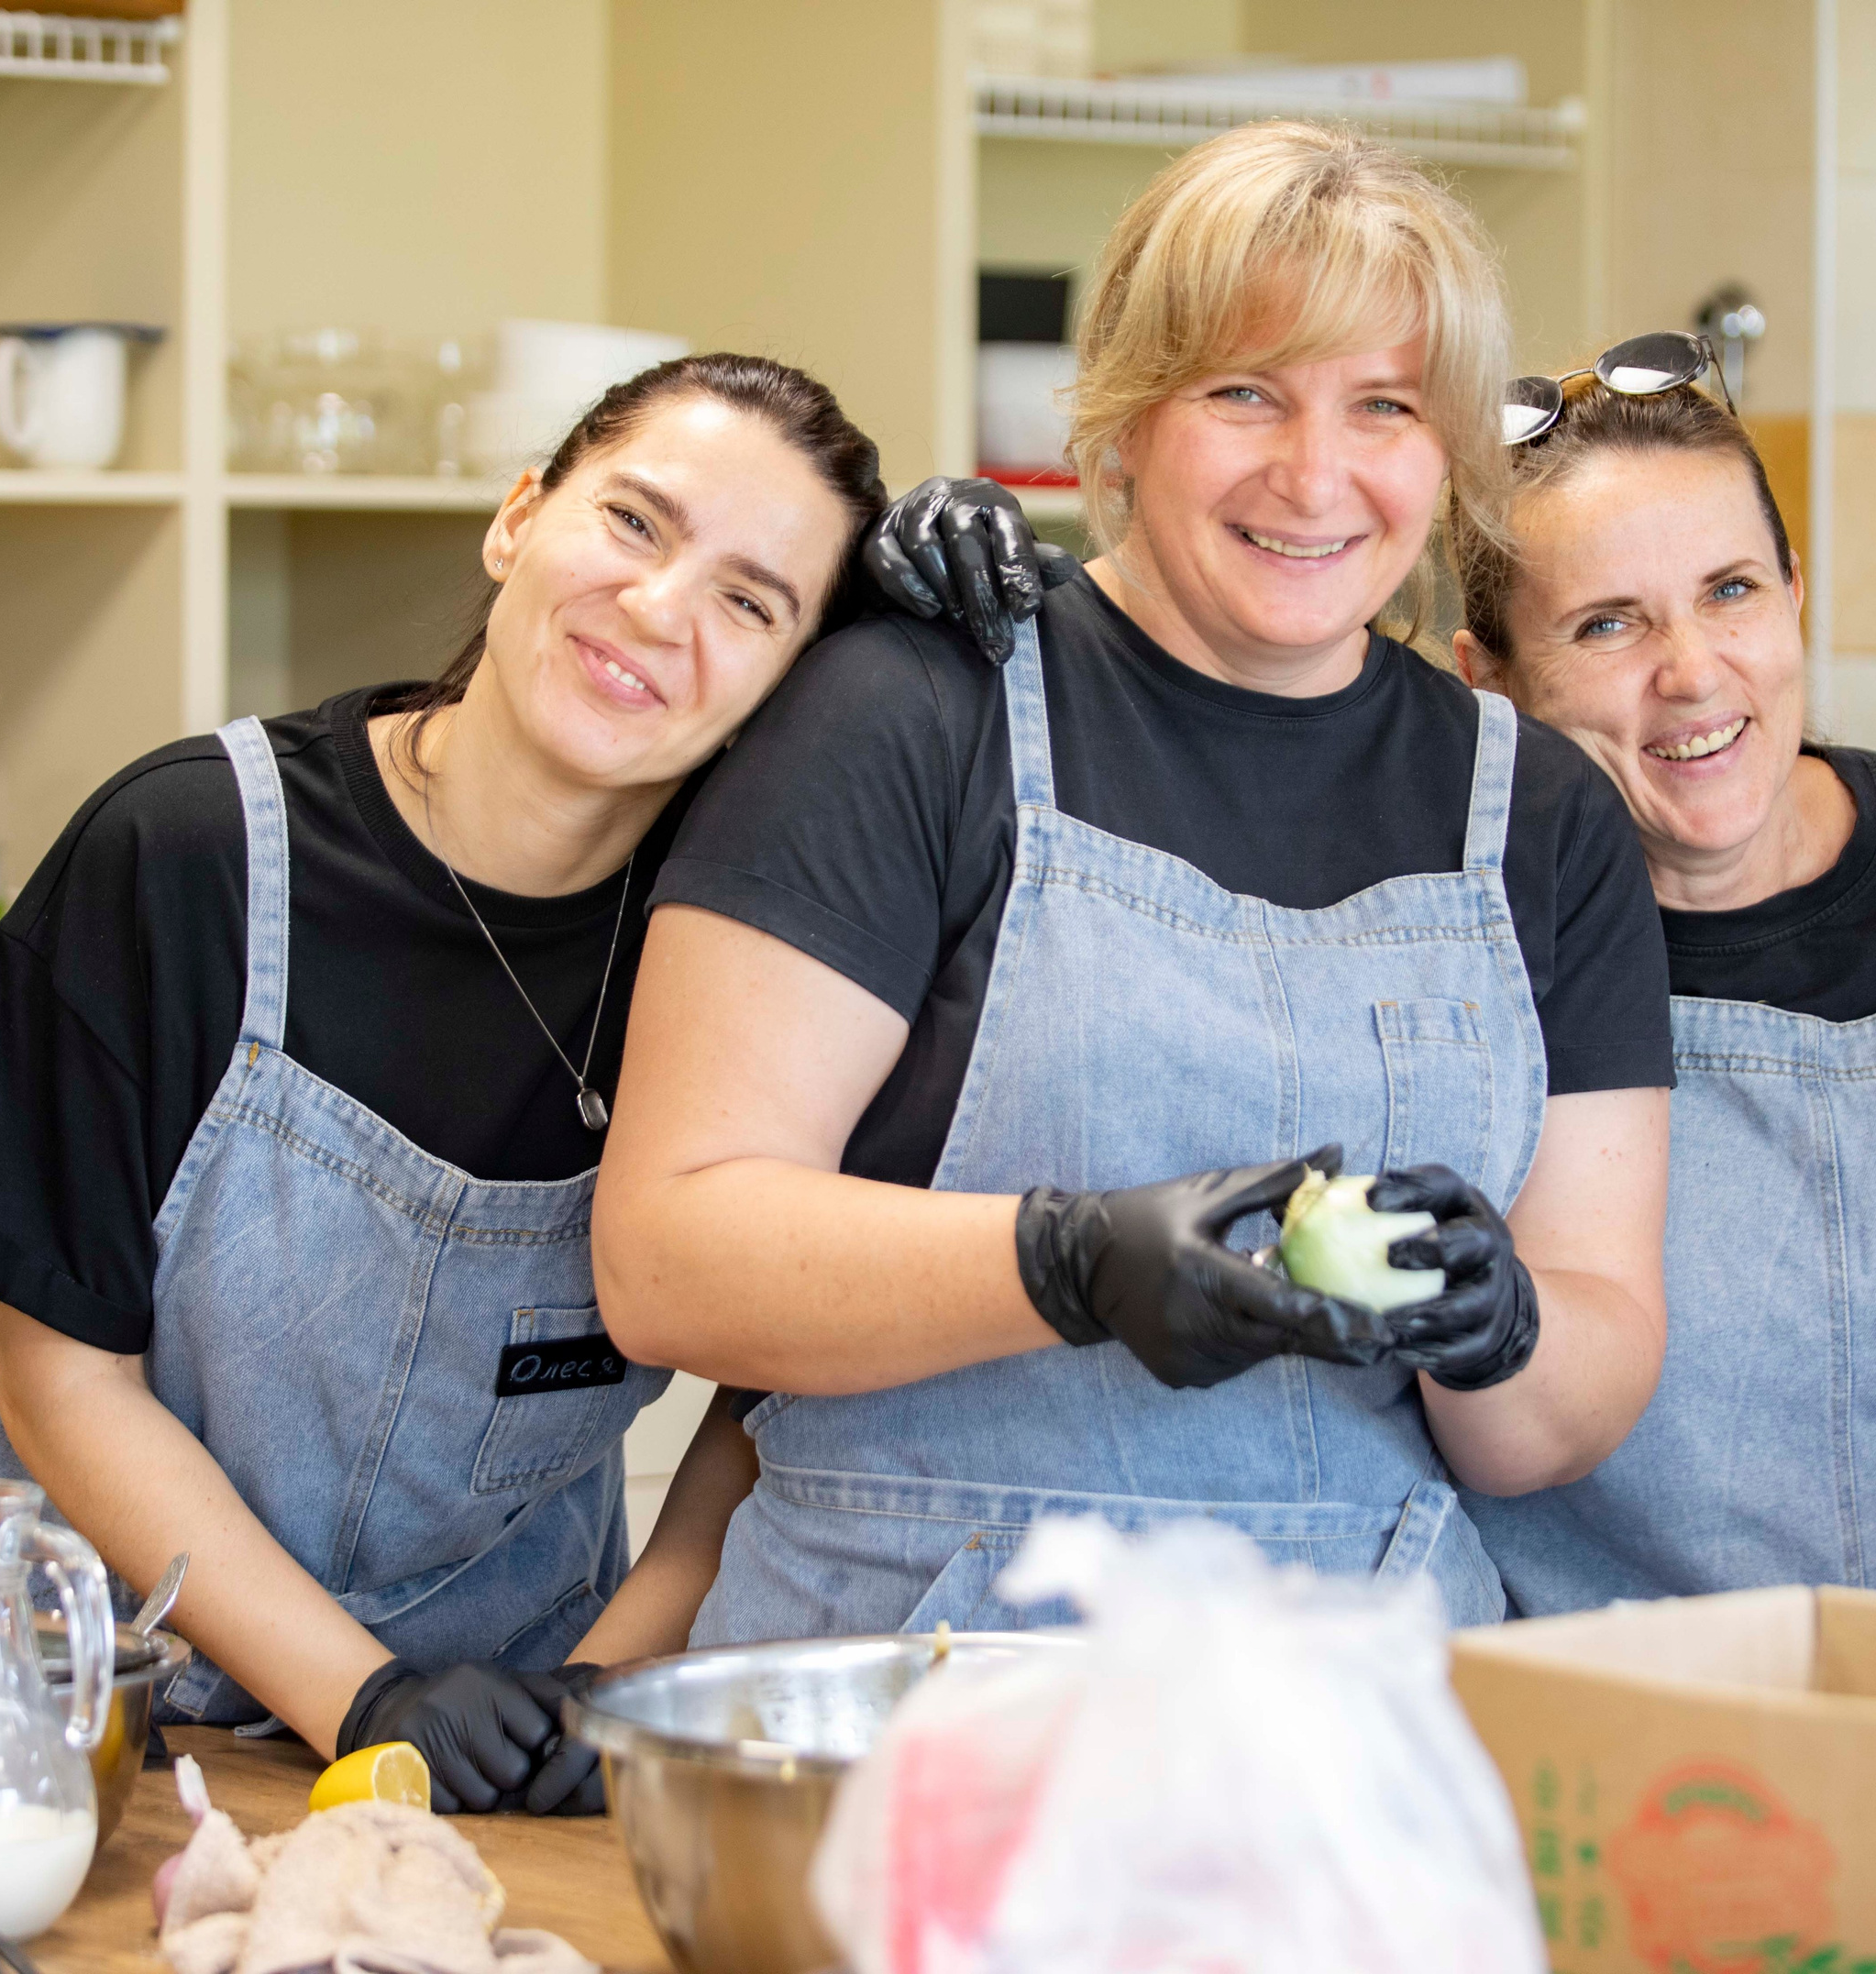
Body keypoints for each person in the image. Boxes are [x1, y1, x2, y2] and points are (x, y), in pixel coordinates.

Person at [591, 122, 1677, 1645]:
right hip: (919, 1675)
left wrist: (1504, 1329)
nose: (1315, 473)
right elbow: (666, 1255)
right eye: (1245, 392)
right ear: (1126, 418)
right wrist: (1063, 1265)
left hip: (1361, 1691)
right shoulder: (914, 712)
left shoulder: (1543, 819)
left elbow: (1570, 1393)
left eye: (1384, 405)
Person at [0, 354, 978, 1813]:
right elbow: (63, 1374)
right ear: (518, 517)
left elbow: (774, 1388)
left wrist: (608, 1688)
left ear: (793, 690)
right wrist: (369, 1701)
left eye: (751, 601)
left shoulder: (747, 964)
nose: (661, 607)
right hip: (92, 1737)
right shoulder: (186, 855)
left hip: (509, 1754)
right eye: (634, 521)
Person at [1444, 346, 1876, 1612]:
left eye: (1729, 590)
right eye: (1607, 623)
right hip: (1622, 1719)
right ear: (1488, 681)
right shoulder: (1461, 949)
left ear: (1795, 596)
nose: (1690, 671)